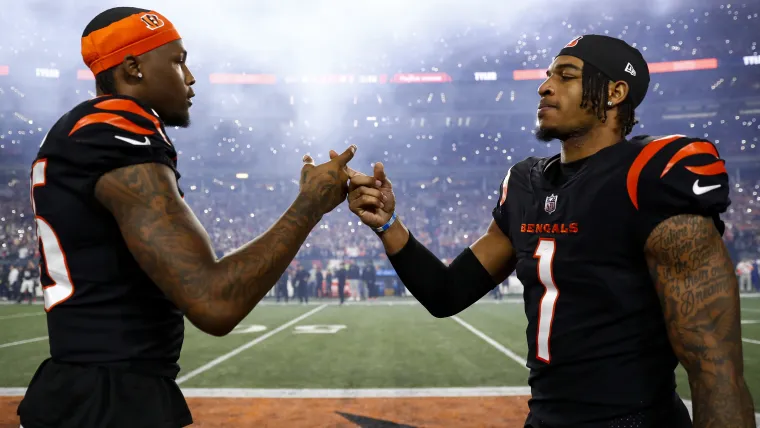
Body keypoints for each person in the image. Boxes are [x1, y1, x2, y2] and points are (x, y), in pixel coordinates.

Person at [343, 34, 755, 427]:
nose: (544, 87)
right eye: (547, 75)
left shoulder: (650, 176)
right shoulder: (526, 183)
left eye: (566, 75)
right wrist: (388, 225)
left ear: (614, 93)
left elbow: (716, 370)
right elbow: (446, 293)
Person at [20, 7, 356, 428]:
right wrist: (309, 204)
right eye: (178, 62)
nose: (190, 77)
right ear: (133, 67)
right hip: (109, 400)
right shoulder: (116, 127)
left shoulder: (83, 131)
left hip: (88, 391)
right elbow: (214, 302)